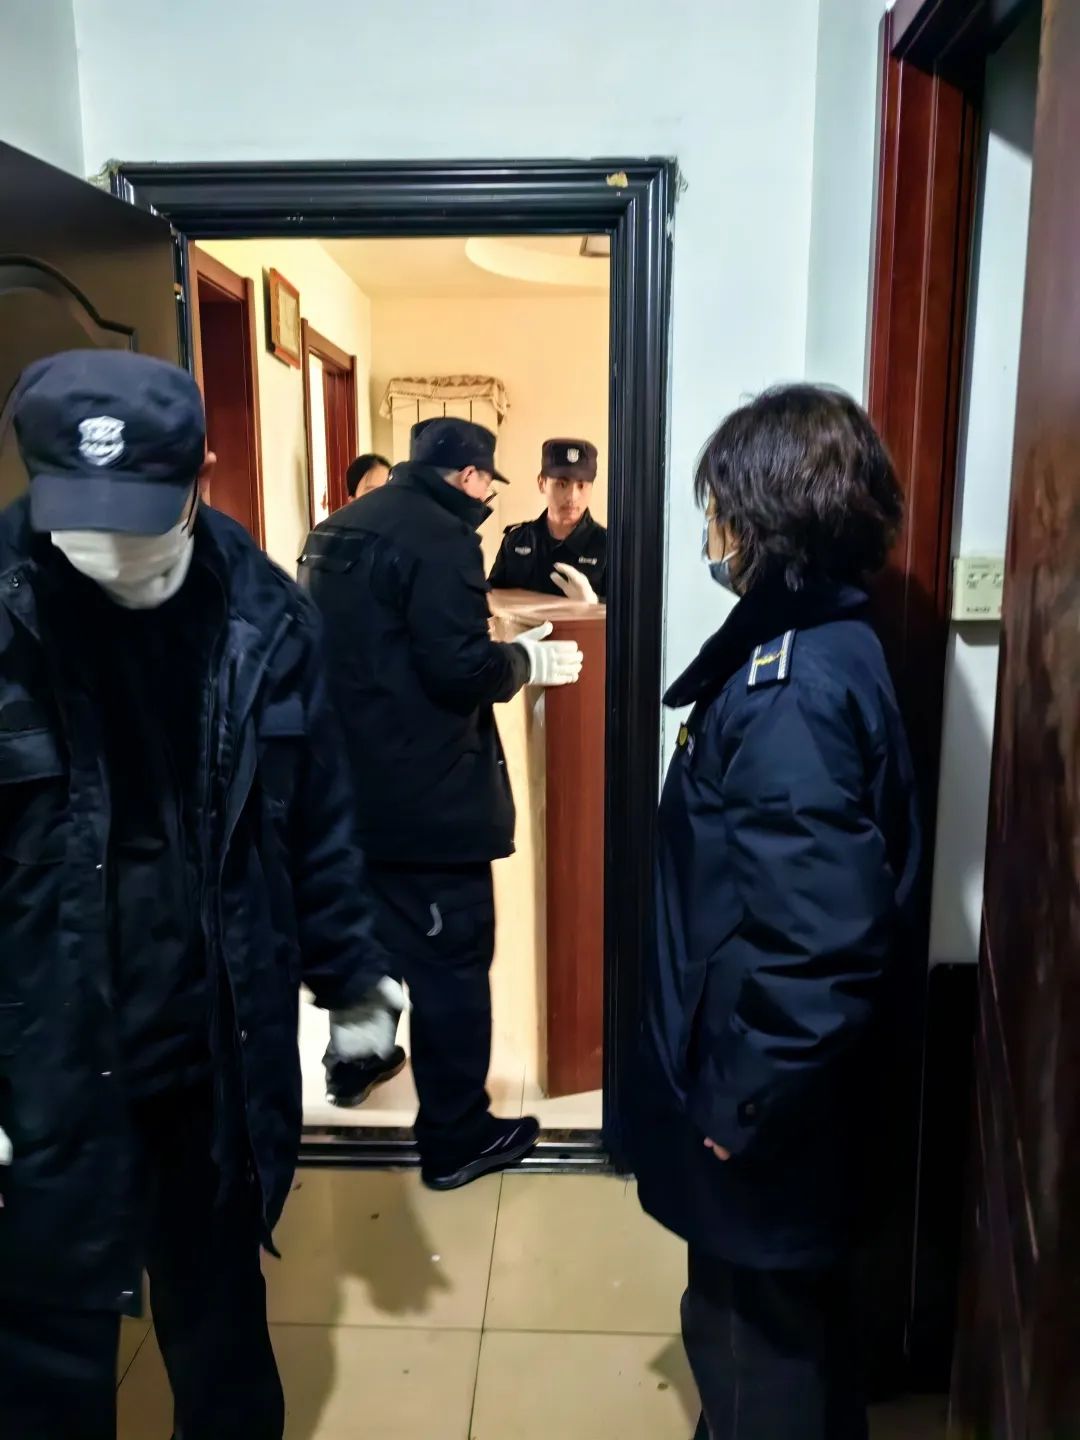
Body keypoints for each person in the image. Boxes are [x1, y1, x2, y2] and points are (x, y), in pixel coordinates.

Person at [0, 350, 401, 1440]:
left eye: (138, 517)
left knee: (221, 1333)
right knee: (44, 1354)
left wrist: (354, 982)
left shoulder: (267, 616)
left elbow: (316, 822)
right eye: (83, 519)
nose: (111, 548)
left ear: (202, 477)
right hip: (43, 1057)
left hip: (210, 1048)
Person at [630, 385, 922, 1440]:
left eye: (721, 510)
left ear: (765, 521)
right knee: (787, 1335)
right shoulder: (829, 645)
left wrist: (737, 1108)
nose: (712, 533)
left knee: (756, 1353)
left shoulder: (791, 689)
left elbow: (818, 940)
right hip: (791, 1099)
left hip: (768, 1108)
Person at [299, 416, 583, 1190]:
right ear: (469, 476)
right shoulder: (441, 537)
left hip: (345, 790)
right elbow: (458, 671)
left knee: (372, 939)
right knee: (451, 962)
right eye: (487, 481)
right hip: (426, 801)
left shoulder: (336, 528)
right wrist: (520, 660)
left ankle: (356, 1062)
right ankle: (458, 1138)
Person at [489, 437, 607, 601]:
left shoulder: (609, 546)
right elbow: (492, 597)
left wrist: (595, 603)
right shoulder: (517, 540)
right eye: (562, 484)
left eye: (582, 486)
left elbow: (630, 607)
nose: (572, 497)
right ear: (542, 483)